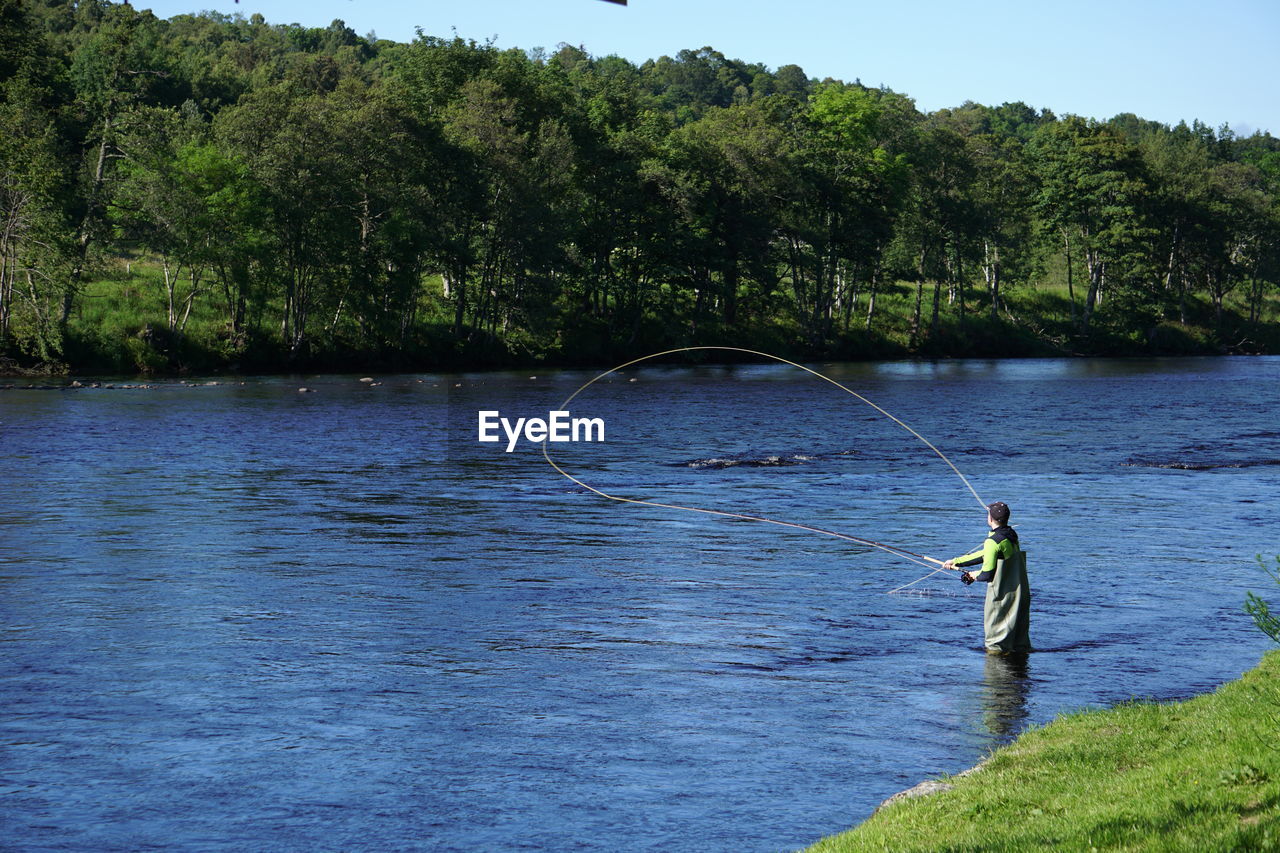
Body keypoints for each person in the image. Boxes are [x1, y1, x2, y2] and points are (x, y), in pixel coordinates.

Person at [942, 501, 1031, 654]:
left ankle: (996, 672)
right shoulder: (1010, 535)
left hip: (1002, 596)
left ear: (990, 518)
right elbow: (986, 555)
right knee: (1017, 641)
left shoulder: (992, 541)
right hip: (1019, 593)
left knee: (995, 644)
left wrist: (972, 575)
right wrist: (956, 561)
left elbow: (986, 574)